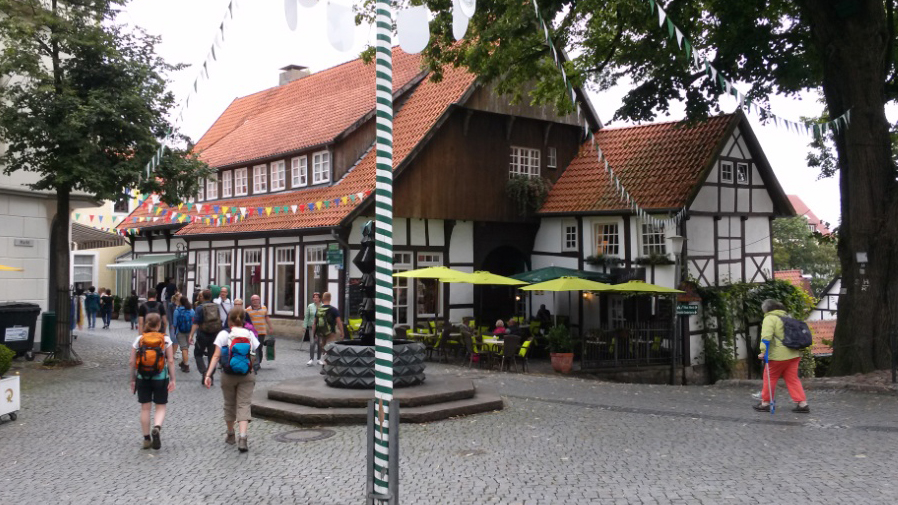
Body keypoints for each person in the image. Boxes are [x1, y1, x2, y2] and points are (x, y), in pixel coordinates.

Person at [203, 308, 260, 453]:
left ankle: (230, 434)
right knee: (244, 404)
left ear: (229, 320)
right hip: (247, 374)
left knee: (229, 404)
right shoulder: (249, 334)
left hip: (228, 374)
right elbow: (255, 353)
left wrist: (208, 374)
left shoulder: (224, 334)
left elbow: (215, 356)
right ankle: (243, 437)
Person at [754, 299, 810, 414]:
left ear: (766, 309)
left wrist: (763, 351)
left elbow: (766, 337)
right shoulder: (787, 317)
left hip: (778, 356)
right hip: (794, 354)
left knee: (770, 377)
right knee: (792, 379)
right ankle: (802, 403)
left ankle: (765, 403)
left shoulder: (769, 318)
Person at [129, 312, 176, 450]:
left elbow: (132, 362)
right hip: (161, 378)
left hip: (142, 377)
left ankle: (146, 439)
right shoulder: (165, 340)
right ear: (160, 324)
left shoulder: (139, 340)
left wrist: (132, 380)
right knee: (160, 406)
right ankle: (156, 427)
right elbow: (171, 361)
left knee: (145, 408)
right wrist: (172, 379)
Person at [190, 289, 222, 385]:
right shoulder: (216, 306)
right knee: (212, 356)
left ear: (202, 297)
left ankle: (204, 372)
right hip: (215, 334)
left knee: (198, 354)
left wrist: (191, 335)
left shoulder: (200, 308)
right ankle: (210, 376)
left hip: (203, 334)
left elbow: (196, 322)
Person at [311, 292, 343, 374]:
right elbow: (339, 322)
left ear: (323, 299)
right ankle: (328, 366)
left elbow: (314, 323)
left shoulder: (319, 309)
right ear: (330, 299)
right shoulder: (334, 310)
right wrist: (342, 332)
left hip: (321, 332)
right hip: (331, 332)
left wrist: (313, 334)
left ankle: (324, 365)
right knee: (331, 349)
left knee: (324, 348)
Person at [246, 295, 273, 372]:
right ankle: (256, 363)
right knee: (255, 348)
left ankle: (259, 361)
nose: (255, 301)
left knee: (259, 347)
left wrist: (270, 327)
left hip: (262, 331)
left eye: (257, 299)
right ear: (251, 301)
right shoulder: (248, 310)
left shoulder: (264, 308)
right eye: (253, 300)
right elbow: (246, 321)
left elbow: (267, 318)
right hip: (252, 332)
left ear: (259, 300)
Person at [173, 295, 195, 373]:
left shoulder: (177, 311)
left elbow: (174, 324)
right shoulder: (192, 310)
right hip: (189, 332)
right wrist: (192, 333)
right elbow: (194, 322)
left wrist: (174, 333)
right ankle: (183, 362)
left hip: (180, 331)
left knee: (183, 348)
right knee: (186, 348)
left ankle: (186, 365)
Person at [304, 292, 322, 366]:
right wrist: (304, 326)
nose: (315, 298)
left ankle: (319, 359)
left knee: (319, 343)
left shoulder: (322, 306)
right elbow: (306, 316)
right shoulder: (310, 306)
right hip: (312, 327)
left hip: (320, 327)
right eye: (314, 297)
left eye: (317, 297)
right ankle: (311, 359)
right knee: (312, 343)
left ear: (319, 298)